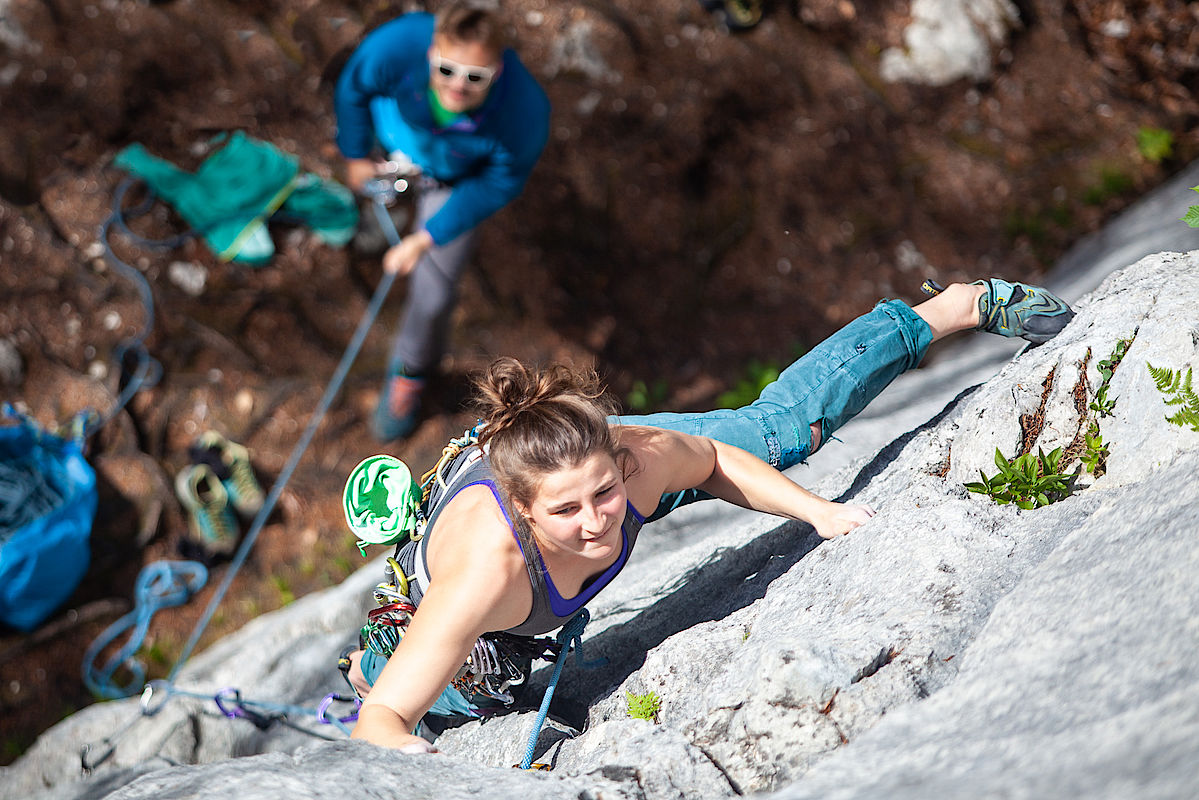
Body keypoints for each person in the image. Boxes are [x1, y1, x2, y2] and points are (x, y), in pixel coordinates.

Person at [342, 278, 1074, 752]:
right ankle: (364, 661)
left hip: (561, 452)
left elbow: (720, 463)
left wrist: (819, 515)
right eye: (566, 511)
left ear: (619, 463)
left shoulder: (636, 461)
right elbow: (384, 723)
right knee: (418, 689)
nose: (598, 522)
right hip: (450, 590)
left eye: (603, 494)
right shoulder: (482, 577)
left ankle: (947, 308)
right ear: (524, 510)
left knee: (783, 429)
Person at [334, 1, 551, 441]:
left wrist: (427, 238)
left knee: (433, 294)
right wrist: (355, 154)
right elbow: (352, 88)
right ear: (431, 51)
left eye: (475, 77)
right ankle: (379, 226)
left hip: (455, 180)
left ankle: (409, 375)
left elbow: (496, 185)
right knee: (377, 203)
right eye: (447, 69)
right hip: (391, 146)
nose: (457, 87)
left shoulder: (524, 114)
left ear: (498, 71)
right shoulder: (396, 46)